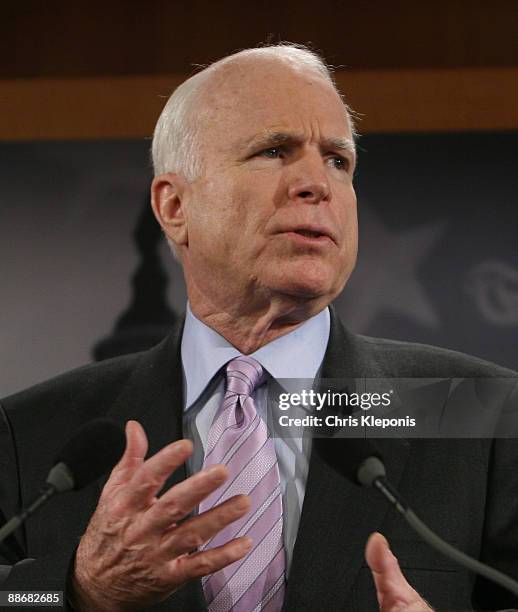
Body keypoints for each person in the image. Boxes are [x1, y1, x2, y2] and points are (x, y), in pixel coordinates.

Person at [1, 43, 517, 612]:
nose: (316, 184)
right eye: (274, 151)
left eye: (337, 160)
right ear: (175, 207)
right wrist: (76, 589)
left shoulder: (475, 412)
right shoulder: (33, 436)